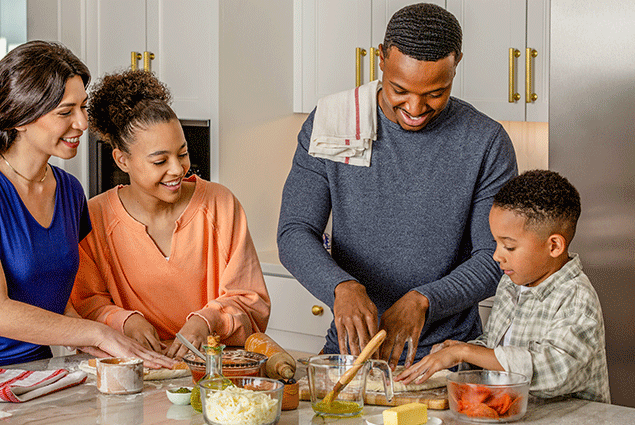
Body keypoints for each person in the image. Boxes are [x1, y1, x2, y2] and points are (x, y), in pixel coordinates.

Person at [277, 2, 517, 369]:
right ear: (381, 59)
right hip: (351, 353)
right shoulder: (332, 124)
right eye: (399, 89)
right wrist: (342, 287)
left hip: (447, 358)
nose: (416, 107)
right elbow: (294, 232)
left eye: (436, 92)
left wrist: (424, 300)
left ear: (457, 64)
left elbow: (493, 258)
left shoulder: (486, 142)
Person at [0, 40, 176, 373]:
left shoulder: (69, 191)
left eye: (83, 107)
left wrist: (110, 348)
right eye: (66, 112)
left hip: (34, 372)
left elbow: (51, 296)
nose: (82, 123)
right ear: (21, 118)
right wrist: (97, 332)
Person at [69, 69, 270, 359]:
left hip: (214, 374)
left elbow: (253, 302)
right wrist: (125, 320)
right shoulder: (93, 218)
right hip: (134, 371)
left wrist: (207, 321)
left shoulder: (220, 205)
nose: (177, 169)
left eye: (183, 153)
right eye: (160, 160)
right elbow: (86, 305)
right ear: (121, 159)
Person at [397, 170, 610, 403]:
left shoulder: (576, 297)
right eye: (495, 242)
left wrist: (466, 352)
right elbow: (495, 346)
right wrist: (462, 353)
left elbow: (557, 371)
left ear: (554, 246)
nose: (497, 255)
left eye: (509, 247)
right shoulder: (510, 283)